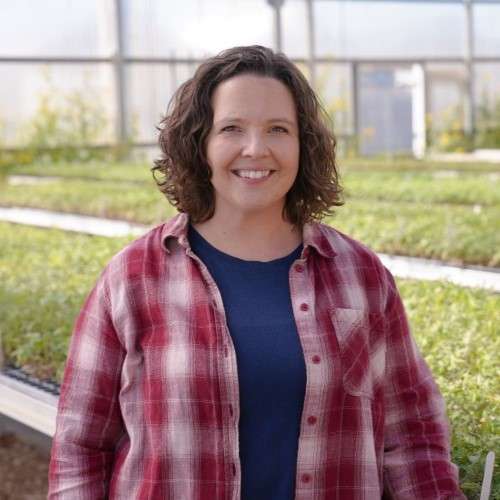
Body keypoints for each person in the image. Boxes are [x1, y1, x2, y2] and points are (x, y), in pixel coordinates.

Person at [48, 45, 464, 499]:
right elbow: (80, 447)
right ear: (200, 144)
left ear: (303, 144)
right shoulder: (132, 278)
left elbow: (412, 436)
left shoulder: (360, 276)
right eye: (231, 128)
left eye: (278, 129)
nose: (255, 148)